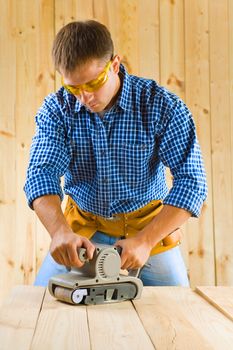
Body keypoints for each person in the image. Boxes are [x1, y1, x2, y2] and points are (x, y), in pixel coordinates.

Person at [24, 20, 207, 287]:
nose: (85, 97)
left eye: (93, 83)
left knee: (177, 308)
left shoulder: (160, 105)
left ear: (115, 64)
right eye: (74, 88)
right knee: (40, 303)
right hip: (82, 232)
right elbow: (41, 175)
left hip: (148, 232)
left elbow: (192, 181)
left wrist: (145, 241)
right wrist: (59, 233)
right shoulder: (56, 110)